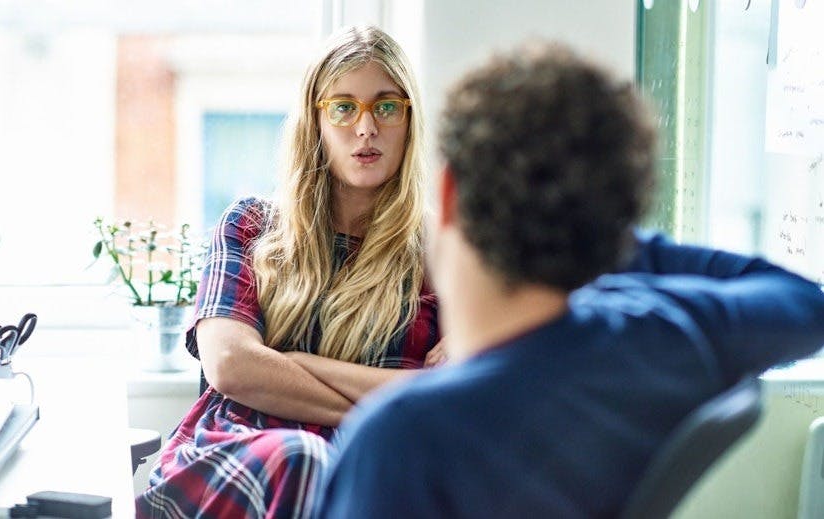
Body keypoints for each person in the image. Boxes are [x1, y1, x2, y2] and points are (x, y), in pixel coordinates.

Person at [313, 42, 824, 518]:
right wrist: (595, 232)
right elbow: (803, 302)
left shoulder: (401, 442)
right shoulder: (664, 341)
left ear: (449, 197)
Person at [135, 25, 443, 518]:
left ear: (410, 120)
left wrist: (291, 364)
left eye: (386, 107)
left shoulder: (441, 253)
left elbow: (448, 399)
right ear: (314, 121)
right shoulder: (250, 225)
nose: (366, 128)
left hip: (369, 475)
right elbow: (231, 365)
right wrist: (387, 403)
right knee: (305, 460)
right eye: (344, 107)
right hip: (239, 456)